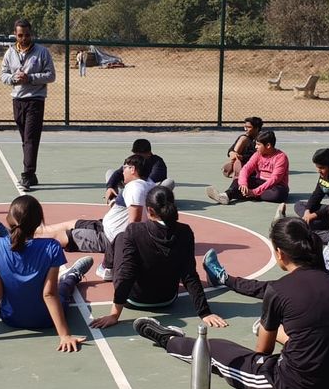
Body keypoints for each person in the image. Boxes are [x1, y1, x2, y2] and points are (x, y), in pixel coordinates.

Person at [135, 217, 329, 389]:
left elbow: (263, 351)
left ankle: (168, 339)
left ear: (280, 253)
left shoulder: (279, 289)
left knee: (217, 349)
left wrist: (265, 331)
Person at [0, 195, 92, 352]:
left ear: (9, 219)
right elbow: (49, 295)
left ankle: (8, 237)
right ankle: (72, 276)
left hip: (11, 318)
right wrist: (64, 335)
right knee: (62, 290)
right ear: (39, 223)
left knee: (5, 256)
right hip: (46, 320)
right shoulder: (52, 247)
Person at [91, 186, 227, 329]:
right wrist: (204, 312)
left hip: (134, 299)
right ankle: (107, 266)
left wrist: (114, 315)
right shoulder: (185, 232)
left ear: (149, 210)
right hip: (167, 298)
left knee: (120, 237)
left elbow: (126, 274)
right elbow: (189, 275)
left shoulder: (134, 230)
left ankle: (106, 268)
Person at [21, 154, 154, 282]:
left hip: (108, 237)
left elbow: (134, 223)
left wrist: (123, 249)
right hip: (104, 226)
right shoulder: (149, 184)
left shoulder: (135, 187)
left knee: (60, 236)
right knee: (71, 223)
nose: (122, 171)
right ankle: (25, 231)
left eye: (124, 167)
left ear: (133, 169)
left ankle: (20, 239)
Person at [0, 18, 56, 191]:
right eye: (20, 35)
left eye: (27, 35)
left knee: (31, 138)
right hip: (17, 99)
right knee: (25, 139)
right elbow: (3, 75)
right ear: (15, 35)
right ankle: (32, 175)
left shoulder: (42, 52)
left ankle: (27, 174)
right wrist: (13, 78)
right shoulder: (10, 53)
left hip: (35, 99)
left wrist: (30, 78)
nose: (23, 38)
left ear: (32, 34)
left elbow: (51, 75)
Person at [207, 130, 289, 205]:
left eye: (258, 145)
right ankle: (225, 196)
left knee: (277, 195)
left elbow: (274, 179)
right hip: (259, 182)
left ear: (268, 145)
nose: (256, 147)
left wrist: (254, 192)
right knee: (238, 180)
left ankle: (246, 194)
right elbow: (245, 169)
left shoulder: (281, 157)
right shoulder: (257, 154)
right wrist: (243, 184)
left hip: (276, 186)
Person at [105, 139, 172, 205]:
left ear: (149, 153)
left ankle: (152, 201)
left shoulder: (157, 162)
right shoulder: (133, 160)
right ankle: (114, 198)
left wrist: (136, 184)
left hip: (149, 188)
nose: (137, 156)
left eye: (140, 154)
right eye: (135, 153)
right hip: (129, 186)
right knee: (110, 172)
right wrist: (110, 187)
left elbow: (153, 179)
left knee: (169, 182)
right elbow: (119, 173)